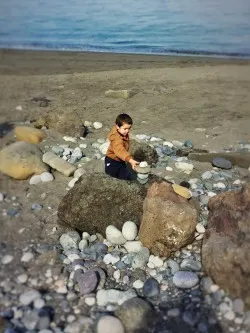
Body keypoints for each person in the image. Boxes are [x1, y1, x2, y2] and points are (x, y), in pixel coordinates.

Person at [105, 113, 139, 180]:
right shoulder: (116, 138)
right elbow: (119, 150)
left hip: (120, 160)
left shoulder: (121, 131)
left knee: (125, 176)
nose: (127, 131)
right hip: (112, 161)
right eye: (125, 129)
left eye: (129, 128)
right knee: (112, 178)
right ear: (117, 126)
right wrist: (130, 160)